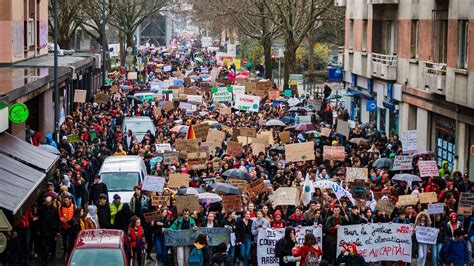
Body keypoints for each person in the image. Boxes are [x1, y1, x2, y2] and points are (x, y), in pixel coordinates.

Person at [38, 195, 60, 266]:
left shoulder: (55, 209)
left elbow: (57, 220)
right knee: (43, 246)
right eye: (46, 202)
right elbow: (39, 219)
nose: (46, 203)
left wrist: (58, 231)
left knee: (52, 245)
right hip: (43, 231)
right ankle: (44, 260)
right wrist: (39, 229)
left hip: (52, 231)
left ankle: (52, 256)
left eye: (48, 202)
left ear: (51, 202)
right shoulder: (41, 209)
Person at [58, 193, 77, 261]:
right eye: (64, 200)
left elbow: (76, 216)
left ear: (70, 200)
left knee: (71, 241)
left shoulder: (74, 207)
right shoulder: (60, 207)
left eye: (66, 200)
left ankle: (70, 254)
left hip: (71, 227)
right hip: (63, 227)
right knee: (64, 241)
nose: (65, 201)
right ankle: (65, 253)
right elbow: (59, 216)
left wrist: (72, 220)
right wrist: (61, 219)